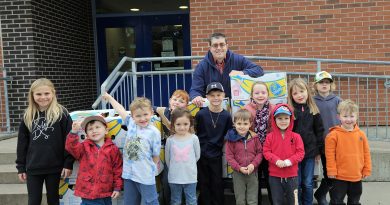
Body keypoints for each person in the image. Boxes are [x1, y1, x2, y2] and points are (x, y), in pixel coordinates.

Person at [15, 78, 74, 205]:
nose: (43, 97)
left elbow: (69, 140)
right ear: (32, 95)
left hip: (55, 166)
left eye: (47, 93)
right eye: (38, 94)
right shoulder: (28, 115)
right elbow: (22, 144)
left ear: (53, 93)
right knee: (34, 201)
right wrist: (21, 167)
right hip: (33, 167)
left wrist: (68, 163)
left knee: (53, 200)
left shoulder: (61, 114)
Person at [103, 93, 161, 205]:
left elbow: (156, 155)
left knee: (151, 202)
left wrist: (151, 170)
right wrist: (110, 98)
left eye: (145, 114)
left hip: (145, 175)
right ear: (133, 116)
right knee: (130, 202)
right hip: (129, 174)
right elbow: (120, 110)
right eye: (138, 116)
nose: (142, 118)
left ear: (151, 113)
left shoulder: (154, 132)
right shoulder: (131, 124)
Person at [190, 32, 264, 107]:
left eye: (222, 45)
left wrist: (242, 73)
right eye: (215, 45)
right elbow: (195, 89)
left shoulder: (238, 59)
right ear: (210, 48)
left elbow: (259, 70)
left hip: (235, 107)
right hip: (213, 108)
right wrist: (196, 96)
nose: (219, 48)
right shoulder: (202, 66)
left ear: (227, 46)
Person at [65, 115, 123, 204]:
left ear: (106, 130)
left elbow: (117, 169)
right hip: (88, 192)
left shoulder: (113, 149)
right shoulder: (84, 147)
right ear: (87, 135)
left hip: (106, 192)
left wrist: (117, 187)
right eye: (90, 129)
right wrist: (74, 131)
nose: (94, 131)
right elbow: (71, 147)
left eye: (97, 127)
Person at [325, 100, 371, 205]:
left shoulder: (361, 135)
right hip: (339, 177)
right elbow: (330, 155)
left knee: (354, 201)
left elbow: (366, 153)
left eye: (351, 116)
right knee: (337, 201)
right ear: (339, 117)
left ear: (357, 116)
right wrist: (331, 170)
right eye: (345, 116)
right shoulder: (333, 135)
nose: (348, 119)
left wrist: (367, 169)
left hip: (356, 175)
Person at [195, 82, 233, 205]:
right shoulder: (201, 114)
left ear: (224, 95)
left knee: (217, 183)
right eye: (212, 95)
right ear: (207, 97)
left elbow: (227, 135)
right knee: (203, 183)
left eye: (218, 95)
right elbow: (197, 132)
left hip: (216, 155)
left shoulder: (227, 116)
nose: (216, 98)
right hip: (201, 154)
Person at [288, 78, 324, 205]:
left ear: (307, 92)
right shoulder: (290, 111)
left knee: (308, 182)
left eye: (302, 91)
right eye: (295, 93)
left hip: (310, 153)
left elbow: (319, 131)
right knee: (296, 183)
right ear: (291, 96)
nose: (299, 95)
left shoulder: (313, 110)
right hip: (294, 154)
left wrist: (319, 150)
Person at [263, 104, 305, 205]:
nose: (283, 121)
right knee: (277, 201)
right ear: (274, 120)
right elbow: (266, 152)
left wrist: (288, 161)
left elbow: (300, 153)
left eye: (286, 118)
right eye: (280, 118)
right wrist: (276, 160)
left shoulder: (296, 136)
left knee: (293, 202)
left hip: (292, 176)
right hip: (275, 176)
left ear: (291, 119)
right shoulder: (270, 137)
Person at [154, 89, 190, 205]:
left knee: (182, 185)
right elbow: (150, 107)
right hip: (168, 155)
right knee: (166, 183)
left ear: (186, 105)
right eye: (175, 99)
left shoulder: (187, 117)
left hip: (183, 157)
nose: (177, 102)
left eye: (181, 101)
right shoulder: (164, 111)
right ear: (170, 101)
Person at [312, 71, 342, 205]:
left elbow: (345, 119)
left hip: (338, 143)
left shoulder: (337, 100)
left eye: (327, 82)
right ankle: (322, 195)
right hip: (322, 145)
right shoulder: (312, 101)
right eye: (321, 83)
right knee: (328, 171)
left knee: (338, 172)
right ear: (316, 85)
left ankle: (324, 194)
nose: (324, 85)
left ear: (331, 85)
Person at [244, 81, 274, 205]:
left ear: (267, 94)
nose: (260, 95)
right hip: (253, 151)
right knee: (254, 181)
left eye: (263, 92)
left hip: (269, 150)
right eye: (257, 93)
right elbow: (243, 129)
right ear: (252, 94)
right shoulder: (246, 109)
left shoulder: (273, 108)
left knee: (270, 179)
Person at [225, 108, 263, 205]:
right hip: (238, 173)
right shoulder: (231, 139)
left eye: (245, 124)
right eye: (239, 124)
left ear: (250, 124)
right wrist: (239, 168)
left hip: (252, 172)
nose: (242, 127)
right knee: (240, 199)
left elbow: (260, 153)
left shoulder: (255, 138)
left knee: (252, 199)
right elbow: (229, 156)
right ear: (234, 124)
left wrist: (253, 165)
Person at [165, 108, 200, 205]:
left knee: (192, 200)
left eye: (185, 124)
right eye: (178, 124)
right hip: (174, 177)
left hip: (190, 177)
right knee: (175, 201)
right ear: (173, 125)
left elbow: (197, 156)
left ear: (190, 124)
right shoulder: (170, 140)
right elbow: (168, 160)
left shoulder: (194, 138)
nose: (182, 127)